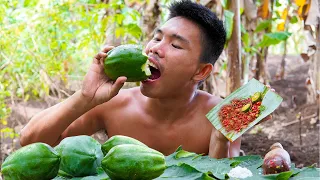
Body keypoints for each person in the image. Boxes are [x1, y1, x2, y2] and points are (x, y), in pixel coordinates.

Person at [20, 0, 269, 158]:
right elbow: (30, 142)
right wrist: (85, 98)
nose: (155, 48)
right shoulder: (114, 105)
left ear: (201, 72)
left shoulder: (223, 114)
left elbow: (226, 174)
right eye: (157, 38)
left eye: (176, 45)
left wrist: (220, 137)